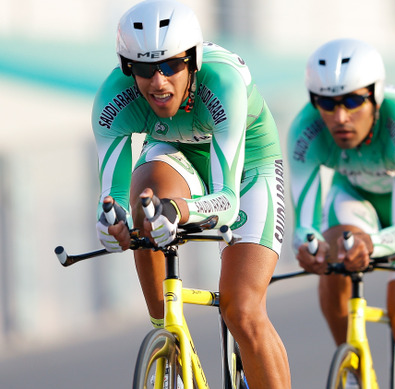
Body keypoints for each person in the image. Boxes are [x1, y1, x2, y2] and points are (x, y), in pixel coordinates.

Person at [92, 0, 290, 387]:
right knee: (145, 204)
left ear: (194, 60)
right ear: (126, 68)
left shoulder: (223, 83)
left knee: (242, 309)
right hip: (178, 155)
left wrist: (178, 210)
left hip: (248, 167)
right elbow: (112, 199)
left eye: (171, 65)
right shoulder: (113, 100)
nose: (158, 81)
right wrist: (113, 223)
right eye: (144, 69)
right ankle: (168, 338)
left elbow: (228, 201)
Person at [288, 38, 395, 389]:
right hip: (356, 193)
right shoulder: (306, 130)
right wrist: (310, 246)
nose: (340, 117)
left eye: (352, 101)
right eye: (326, 104)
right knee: (332, 262)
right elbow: (306, 226)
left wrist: (369, 243)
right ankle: (358, 373)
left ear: (376, 96)